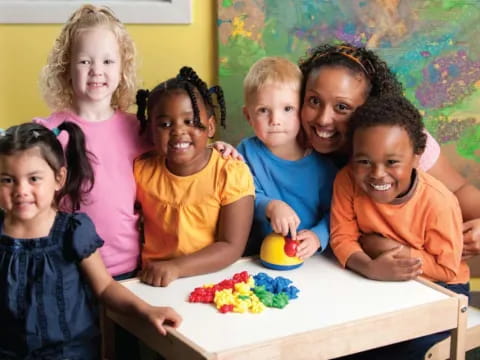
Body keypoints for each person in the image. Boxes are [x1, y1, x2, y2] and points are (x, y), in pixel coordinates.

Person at [0, 122, 182, 360]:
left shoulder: (72, 231)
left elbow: (105, 287)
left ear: (59, 178)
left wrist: (147, 311)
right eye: (7, 180)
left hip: (71, 353)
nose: (21, 190)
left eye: (34, 178)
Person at [298, 42, 480, 260]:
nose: (323, 119)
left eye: (342, 107)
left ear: (369, 108)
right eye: (314, 101)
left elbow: (459, 190)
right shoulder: (287, 133)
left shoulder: (400, 142)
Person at [330, 94, 469, 359]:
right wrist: (371, 267)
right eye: (364, 161)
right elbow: (342, 237)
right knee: (351, 339)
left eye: (392, 162)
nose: (377, 174)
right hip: (376, 276)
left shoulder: (439, 202)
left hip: (442, 288)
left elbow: (447, 268)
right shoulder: (346, 182)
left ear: (417, 157)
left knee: (404, 346)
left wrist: (392, 250)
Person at [33, 4, 146, 280]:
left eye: (107, 61)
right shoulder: (49, 132)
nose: (96, 71)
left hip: (127, 267)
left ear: (122, 69)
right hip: (69, 268)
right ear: (66, 69)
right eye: (85, 61)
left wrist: (217, 149)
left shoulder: (138, 129)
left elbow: (181, 152)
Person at [135, 66, 254, 287]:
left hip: (211, 279)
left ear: (210, 127)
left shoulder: (230, 172)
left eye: (190, 121)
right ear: (151, 130)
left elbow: (231, 246)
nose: (178, 131)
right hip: (151, 282)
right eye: (165, 124)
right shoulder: (142, 170)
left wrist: (176, 267)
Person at [237, 57, 337, 257]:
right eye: (263, 110)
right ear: (248, 116)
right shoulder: (245, 152)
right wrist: (270, 206)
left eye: (287, 109)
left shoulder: (321, 162)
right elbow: (241, 196)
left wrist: (318, 236)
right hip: (260, 258)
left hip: (312, 259)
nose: (276, 121)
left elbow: (336, 212)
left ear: (302, 111)